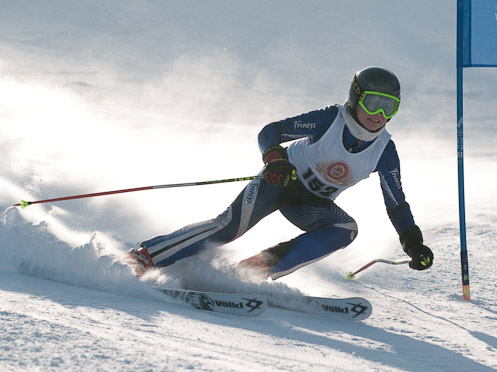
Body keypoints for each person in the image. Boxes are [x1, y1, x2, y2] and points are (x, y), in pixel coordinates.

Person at [127, 66, 434, 280]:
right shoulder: (330, 119)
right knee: (230, 226)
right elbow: (270, 131)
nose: (379, 115)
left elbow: (396, 205)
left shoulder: (384, 150)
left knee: (346, 229)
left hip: (309, 205)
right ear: (355, 98)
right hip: (278, 181)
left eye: (389, 107)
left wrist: (413, 243)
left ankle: (252, 271)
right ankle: (146, 256)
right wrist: (275, 158)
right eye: (373, 103)